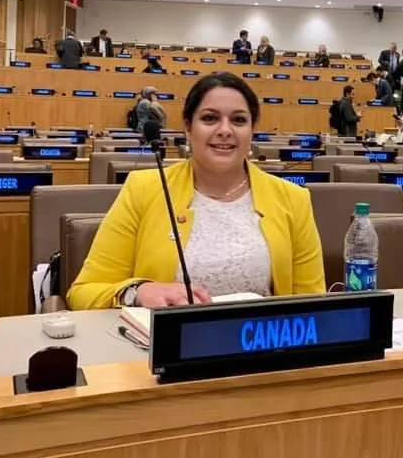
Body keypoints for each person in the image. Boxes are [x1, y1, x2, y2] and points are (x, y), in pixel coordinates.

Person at [67, 72, 326, 310]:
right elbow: (84, 293)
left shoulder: (294, 199)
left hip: (264, 351)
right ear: (188, 127)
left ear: (252, 130)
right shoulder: (143, 190)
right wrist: (138, 291)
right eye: (210, 118)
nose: (225, 130)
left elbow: (314, 304)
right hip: (158, 354)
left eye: (238, 120)